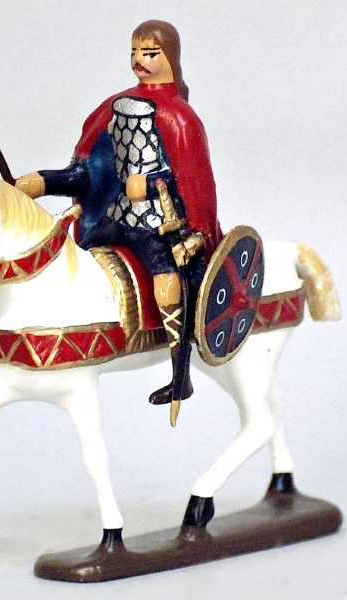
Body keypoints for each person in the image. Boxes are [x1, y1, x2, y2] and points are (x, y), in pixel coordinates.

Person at [16, 20, 222, 405]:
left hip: (157, 222)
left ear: (170, 57)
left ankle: (180, 372)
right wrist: (42, 182)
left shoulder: (180, 118)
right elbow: (87, 172)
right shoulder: (112, 107)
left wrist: (152, 183)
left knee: (166, 283)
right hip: (115, 214)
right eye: (134, 52)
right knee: (69, 258)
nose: (138, 60)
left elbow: (192, 180)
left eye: (150, 53)